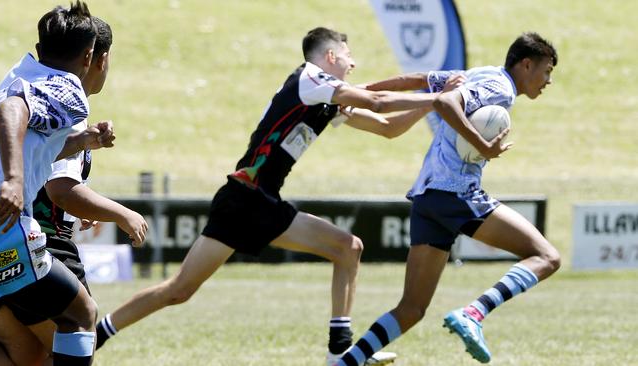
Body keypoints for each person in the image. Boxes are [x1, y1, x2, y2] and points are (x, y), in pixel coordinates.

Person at [94, 26, 449, 365]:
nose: (352, 63)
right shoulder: (311, 78)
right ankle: (98, 333)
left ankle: (340, 351)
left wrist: (433, 103)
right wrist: (440, 95)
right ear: (330, 56)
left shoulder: (325, 96)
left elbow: (387, 128)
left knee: (348, 248)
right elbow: (377, 101)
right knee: (179, 290)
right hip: (243, 199)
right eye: (348, 55)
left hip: (261, 201)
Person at [335, 32, 561, 365]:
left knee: (412, 308)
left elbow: (416, 80)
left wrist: (356, 92)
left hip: (428, 198)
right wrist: (483, 147)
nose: (548, 81)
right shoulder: (498, 89)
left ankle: (346, 362)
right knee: (546, 256)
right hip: (456, 194)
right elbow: (443, 102)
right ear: (526, 64)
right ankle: (474, 312)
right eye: (547, 72)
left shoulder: (480, 74)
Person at [0, 16, 148, 366]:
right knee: (80, 315)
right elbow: (11, 111)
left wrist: (82, 141)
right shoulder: (68, 88)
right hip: (2, 228)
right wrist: (13, 181)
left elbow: (30, 142)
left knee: (26, 358)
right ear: (92, 57)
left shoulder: (19, 73)